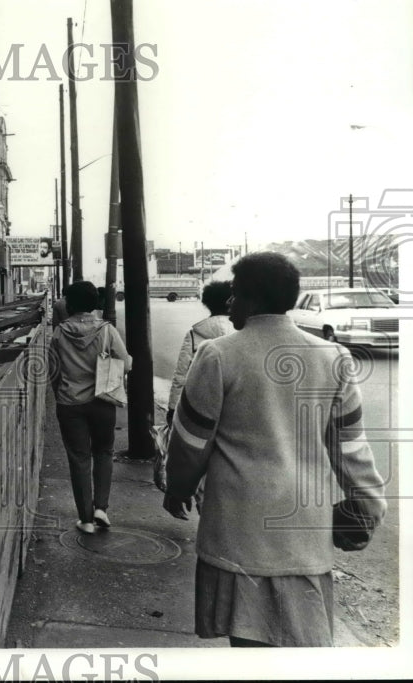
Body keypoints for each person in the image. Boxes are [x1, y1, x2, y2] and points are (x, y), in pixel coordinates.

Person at [164, 252, 386, 647]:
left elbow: (189, 445)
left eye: (234, 294)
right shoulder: (333, 357)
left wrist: (177, 490)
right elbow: (351, 449)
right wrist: (367, 508)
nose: (229, 304)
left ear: (252, 299)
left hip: (238, 538)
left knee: (249, 654)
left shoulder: (217, 355)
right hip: (303, 539)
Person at [49, 281, 132, 533]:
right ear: (95, 304)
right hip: (102, 401)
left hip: (69, 403)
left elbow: (52, 371)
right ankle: (101, 509)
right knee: (104, 452)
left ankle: (85, 519)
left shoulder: (59, 333)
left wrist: (60, 394)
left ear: (69, 304)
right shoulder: (107, 331)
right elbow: (126, 364)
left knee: (79, 458)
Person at [166, 281, 234, 422]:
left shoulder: (194, 334)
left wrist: (173, 407)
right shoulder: (242, 330)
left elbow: (181, 374)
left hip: (202, 405)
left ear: (207, 304)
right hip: (235, 404)